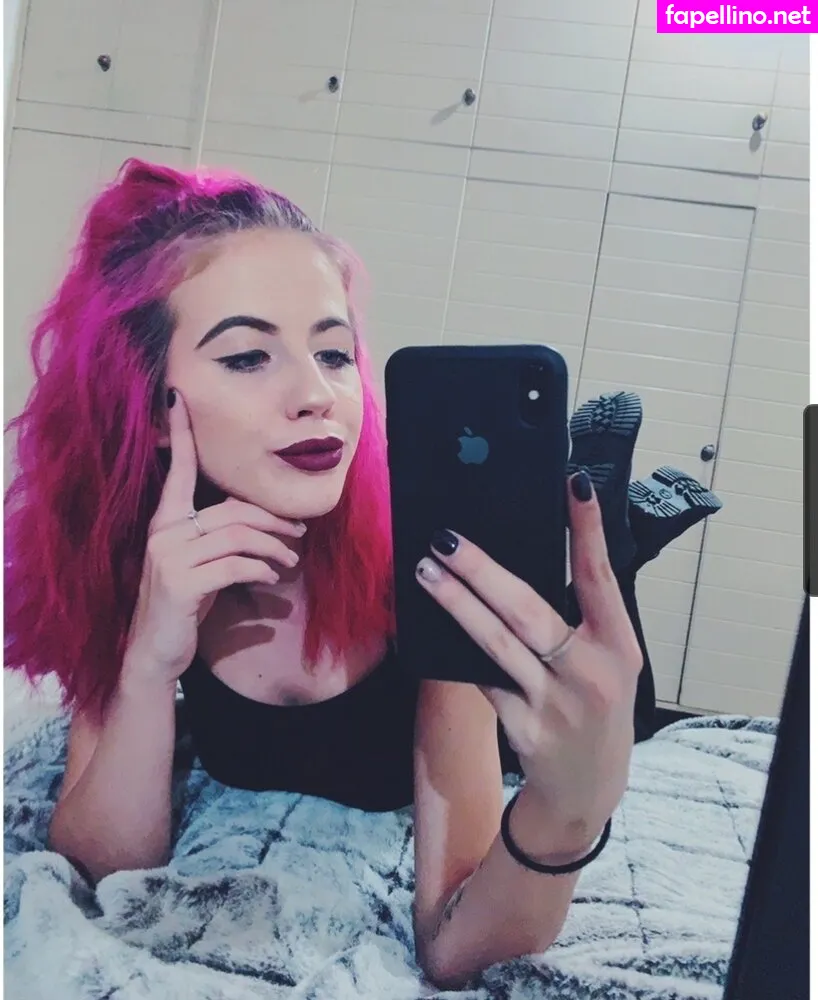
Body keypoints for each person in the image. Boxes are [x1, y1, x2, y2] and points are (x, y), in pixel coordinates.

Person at [5, 159, 644, 990]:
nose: (318, 395)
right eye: (248, 357)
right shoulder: (136, 563)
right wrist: (150, 662)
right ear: (153, 408)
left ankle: (623, 539)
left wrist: (569, 808)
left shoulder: (423, 570)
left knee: (568, 640)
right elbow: (103, 870)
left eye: (335, 353)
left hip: (493, 697)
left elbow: (456, 948)